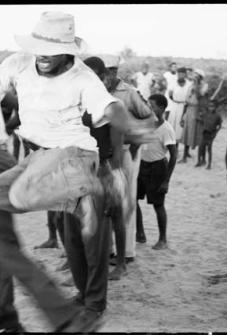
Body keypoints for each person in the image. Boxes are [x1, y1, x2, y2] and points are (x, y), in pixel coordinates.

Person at [0, 13, 154, 331]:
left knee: (24, 230)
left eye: (51, 48)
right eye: (38, 46)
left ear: (69, 51)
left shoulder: (83, 77)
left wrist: (132, 126)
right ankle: (79, 205)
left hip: (74, 157)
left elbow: (110, 106)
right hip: (36, 158)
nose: (42, 55)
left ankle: (97, 194)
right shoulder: (16, 64)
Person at [85, 55, 154, 280]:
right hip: (98, 158)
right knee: (101, 212)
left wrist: (134, 142)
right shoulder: (89, 95)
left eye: (112, 70)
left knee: (119, 209)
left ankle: (124, 259)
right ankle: (109, 255)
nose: (110, 75)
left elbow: (149, 119)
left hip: (118, 156)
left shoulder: (125, 95)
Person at [136, 94, 177, 250]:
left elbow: (173, 156)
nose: (149, 109)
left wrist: (166, 181)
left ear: (162, 108)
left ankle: (162, 239)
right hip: (142, 166)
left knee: (158, 205)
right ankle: (140, 233)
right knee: (133, 200)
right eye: (148, 106)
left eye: (152, 106)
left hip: (157, 168)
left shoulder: (166, 129)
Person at [179, 69, 208, 163]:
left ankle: (201, 158)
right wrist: (182, 115)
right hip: (189, 110)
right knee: (187, 132)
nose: (194, 76)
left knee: (196, 133)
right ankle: (185, 155)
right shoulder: (190, 85)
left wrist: (196, 86)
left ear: (200, 77)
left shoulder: (204, 86)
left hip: (197, 110)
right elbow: (186, 101)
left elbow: (200, 96)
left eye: (196, 75)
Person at [166, 67, 191, 147]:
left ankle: (186, 152)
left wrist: (184, 102)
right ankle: (174, 148)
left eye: (183, 74)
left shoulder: (189, 84)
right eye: (179, 73)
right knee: (173, 128)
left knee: (183, 128)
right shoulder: (173, 83)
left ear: (185, 74)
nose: (181, 75)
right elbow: (170, 94)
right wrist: (176, 101)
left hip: (185, 106)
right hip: (175, 106)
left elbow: (190, 96)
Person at [197, 99, 222, 169]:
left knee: (209, 149)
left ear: (216, 107)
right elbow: (202, 121)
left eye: (213, 106)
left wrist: (215, 133)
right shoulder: (205, 113)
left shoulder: (217, 116)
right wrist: (199, 119)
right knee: (200, 147)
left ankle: (209, 164)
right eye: (210, 106)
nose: (211, 108)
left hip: (211, 135)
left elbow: (219, 125)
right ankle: (199, 162)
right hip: (204, 133)